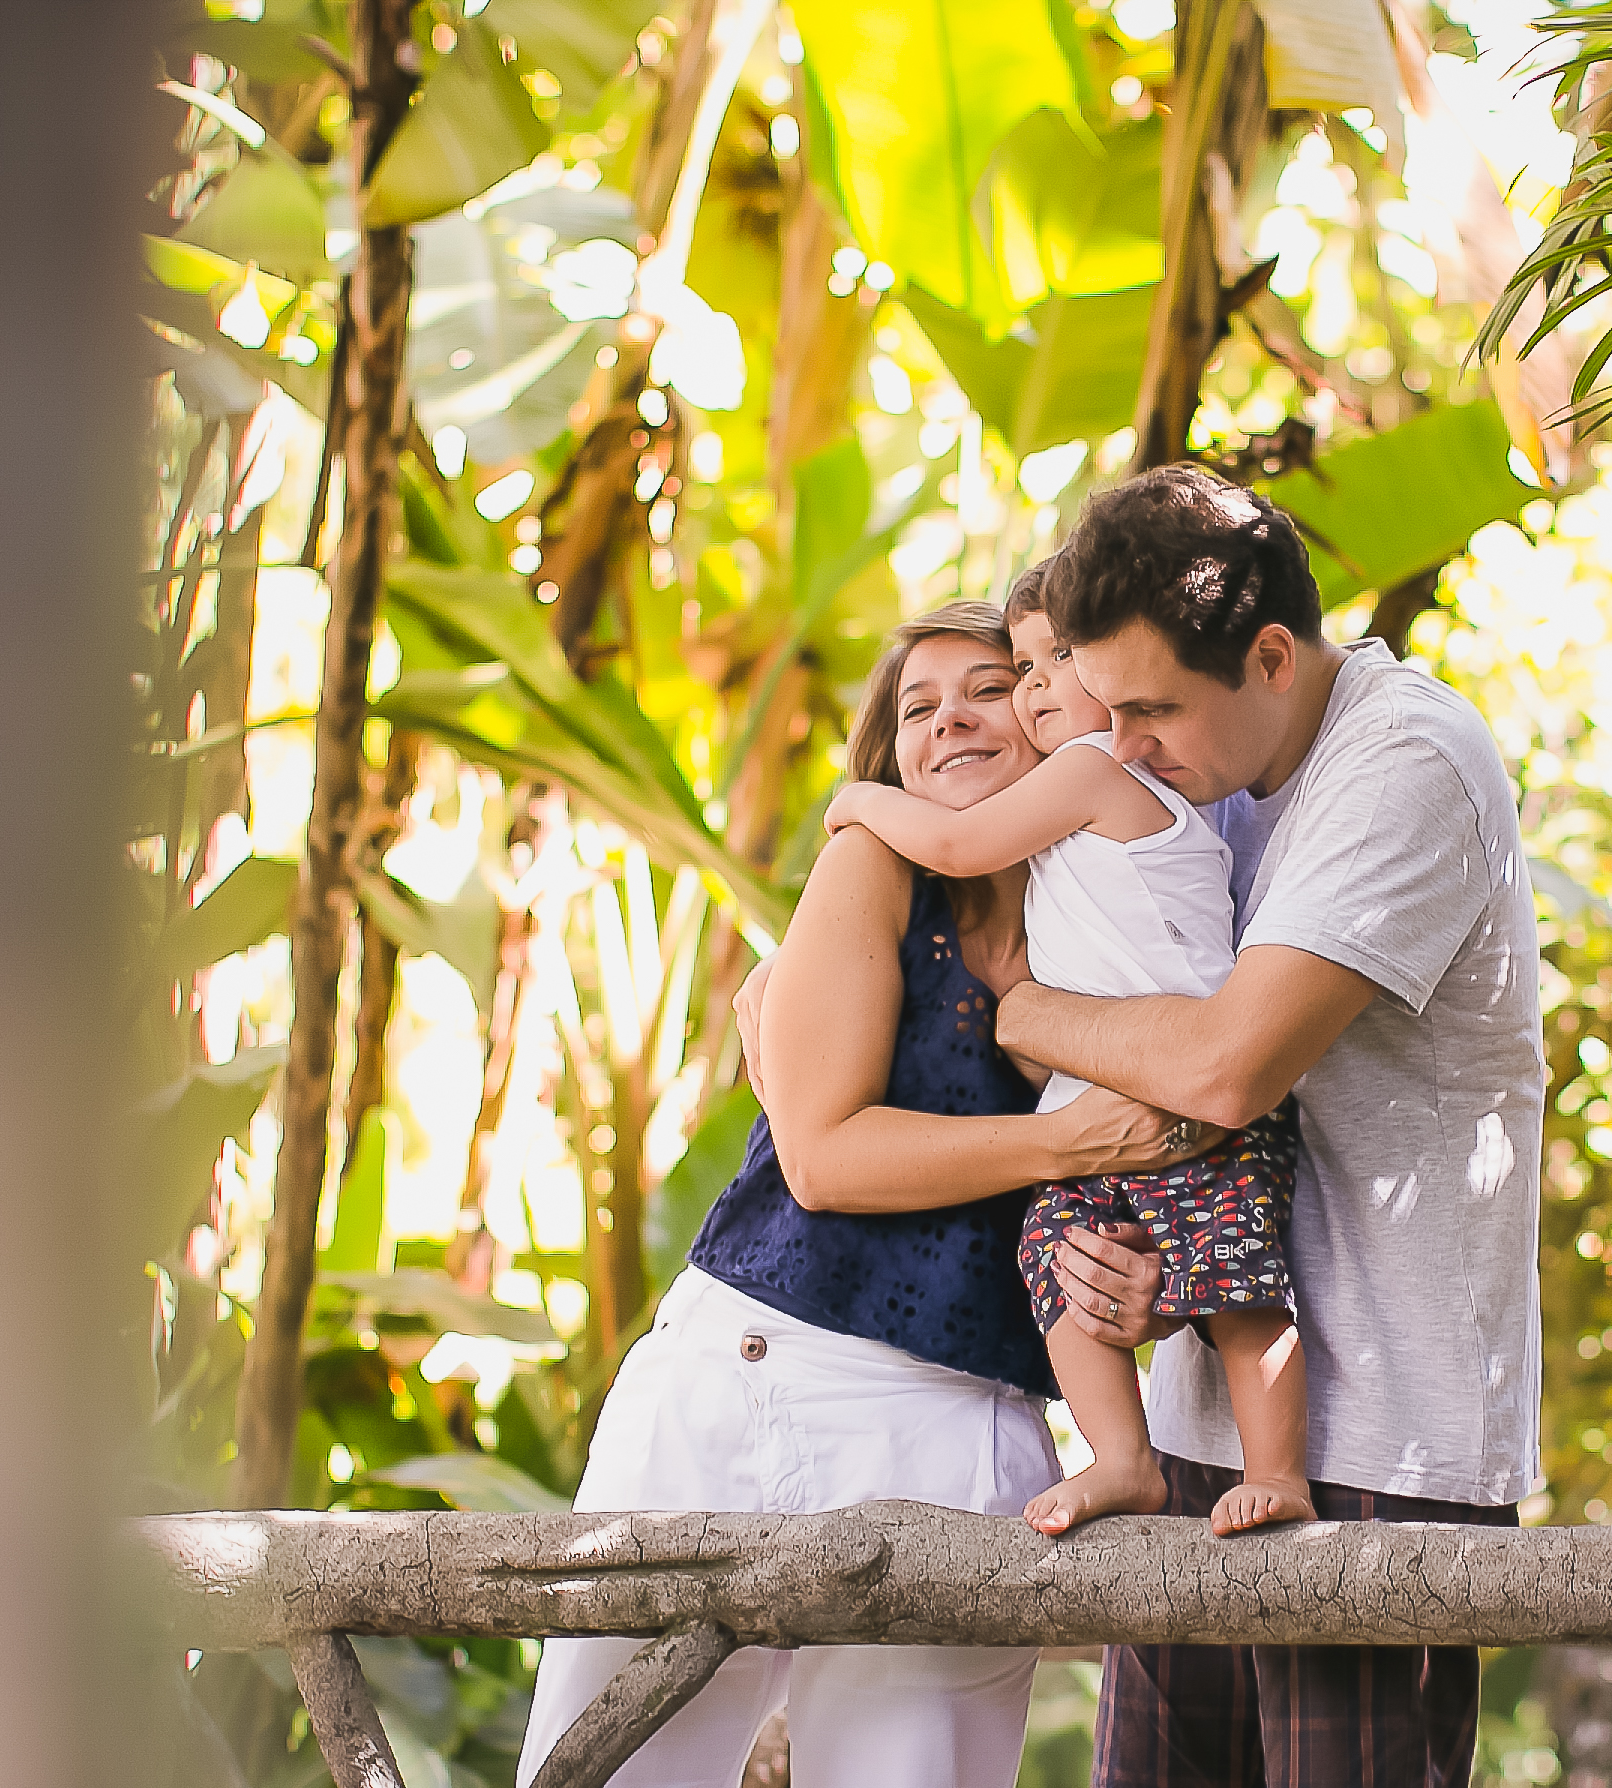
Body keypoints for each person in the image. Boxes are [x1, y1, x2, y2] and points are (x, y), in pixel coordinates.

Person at [513, 600, 1205, 1788]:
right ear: (887, 760)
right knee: (606, 1773)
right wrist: (1066, 1146)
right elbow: (824, 1161)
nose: (949, 721)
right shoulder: (874, 862)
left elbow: (1198, 1137)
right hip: (746, 1376)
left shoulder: (1116, 893)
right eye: (916, 709)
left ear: (1056, 702)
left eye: (985, 687)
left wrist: (1154, 1275)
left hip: (963, 1425)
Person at [996, 464, 1545, 1788]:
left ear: (1272, 656)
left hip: (1375, 1455)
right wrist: (1143, 1269)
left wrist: (1019, 1011)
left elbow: (1226, 1070)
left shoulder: (1401, 761)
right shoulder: (1205, 771)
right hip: (1199, 1429)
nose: (1117, 744)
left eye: (1147, 709)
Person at [823, 560, 1310, 1537]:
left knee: (1241, 1290)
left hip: (1190, 1089)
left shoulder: (1095, 777)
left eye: (1055, 661)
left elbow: (959, 849)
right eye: (1027, 663)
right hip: (1100, 1102)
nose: (1040, 683)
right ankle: (1122, 1457)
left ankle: (1280, 1471)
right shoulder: (1063, 828)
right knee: (1052, 1251)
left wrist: (859, 802)